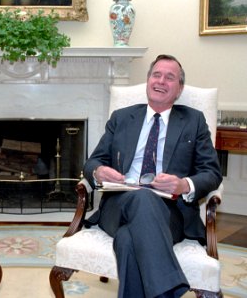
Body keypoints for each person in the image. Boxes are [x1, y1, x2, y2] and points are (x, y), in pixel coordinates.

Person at [83, 54, 222, 298]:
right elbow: (93, 162)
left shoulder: (193, 121)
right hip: (118, 204)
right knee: (142, 198)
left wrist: (183, 184)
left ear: (179, 89)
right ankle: (169, 289)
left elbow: (212, 172)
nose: (161, 81)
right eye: (156, 75)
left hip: (170, 211)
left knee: (127, 241)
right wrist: (98, 171)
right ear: (148, 80)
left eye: (170, 77)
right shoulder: (122, 117)